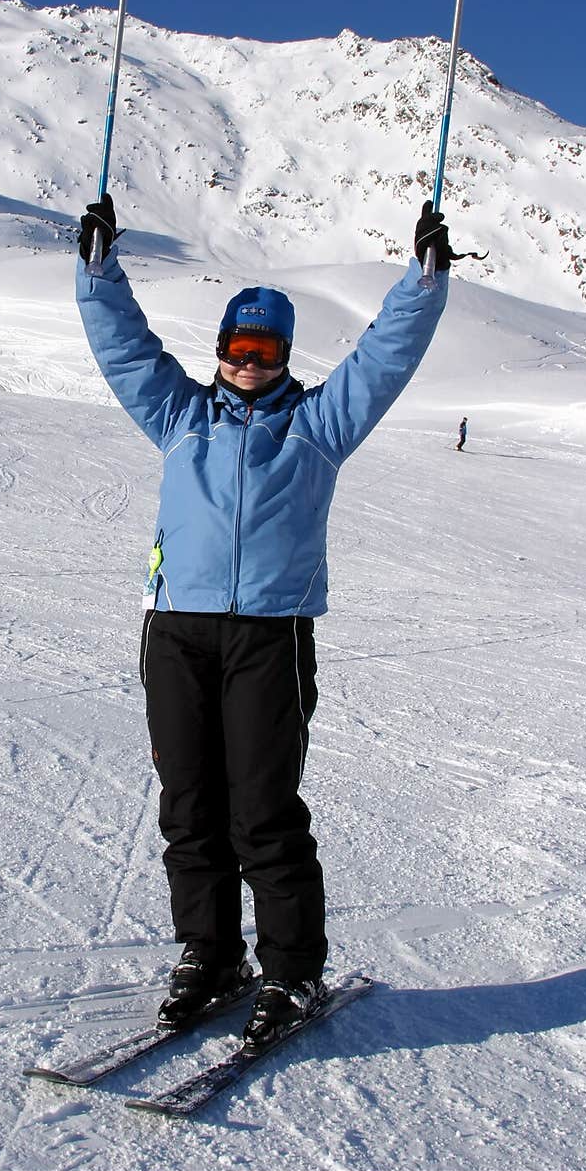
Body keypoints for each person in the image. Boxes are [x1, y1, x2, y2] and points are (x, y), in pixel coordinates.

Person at [75, 196, 452, 1047]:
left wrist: (423, 284)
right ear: (219, 351)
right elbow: (125, 351)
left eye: (265, 350)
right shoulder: (181, 418)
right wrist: (97, 273)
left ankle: (291, 969)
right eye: (237, 349)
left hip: (268, 637)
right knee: (190, 803)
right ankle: (209, 955)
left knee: (263, 808)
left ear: (285, 355)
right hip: (174, 631)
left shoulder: (316, 427)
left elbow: (383, 361)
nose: (248, 363)